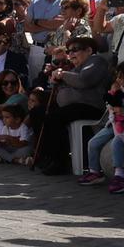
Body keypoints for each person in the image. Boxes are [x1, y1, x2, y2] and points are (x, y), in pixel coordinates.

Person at [35, 36, 109, 175]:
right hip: (74, 107)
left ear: (89, 50)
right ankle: (45, 156)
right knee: (38, 112)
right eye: (69, 51)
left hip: (91, 107)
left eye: (75, 50)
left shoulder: (96, 61)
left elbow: (84, 80)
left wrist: (62, 75)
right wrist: (57, 80)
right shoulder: (76, 68)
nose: (71, 54)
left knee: (55, 117)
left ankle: (59, 162)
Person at [78, 60, 124, 193]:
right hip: (114, 125)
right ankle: (94, 171)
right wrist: (112, 99)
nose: (118, 79)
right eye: (117, 76)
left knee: (117, 142)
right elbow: (110, 105)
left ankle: (120, 175)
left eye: (121, 76)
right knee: (93, 142)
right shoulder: (120, 91)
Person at [25, 0, 66, 84]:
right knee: (35, 83)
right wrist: (50, 25)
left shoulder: (68, 2)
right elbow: (27, 27)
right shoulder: (35, 3)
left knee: (54, 83)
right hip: (37, 48)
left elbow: (60, 24)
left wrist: (37, 22)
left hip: (57, 50)